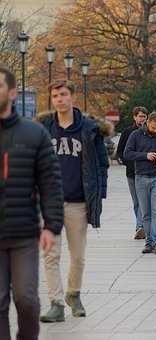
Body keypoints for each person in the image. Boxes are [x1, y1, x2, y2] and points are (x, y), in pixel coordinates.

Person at [37, 80, 109, 323]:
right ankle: (56, 303)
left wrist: (98, 196)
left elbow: (101, 164)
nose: (59, 99)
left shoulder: (89, 129)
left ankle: (73, 294)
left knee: (78, 256)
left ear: (72, 97)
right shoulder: (44, 128)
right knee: (51, 256)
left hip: (78, 202)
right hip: (50, 203)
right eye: (55, 95)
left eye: (63, 94)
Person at [0, 67, 63, 340]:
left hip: (24, 232)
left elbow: (50, 183)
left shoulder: (34, 134)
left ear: (12, 92)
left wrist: (51, 226)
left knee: (25, 299)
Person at [124, 112, 156, 254]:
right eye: (153, 128)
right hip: (140, 177)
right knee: (146, 212)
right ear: (147, 123)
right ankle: (148, 242)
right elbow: (127, 153)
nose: (155, 130)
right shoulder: (136, 135)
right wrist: (144, 156)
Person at [116, 106, 148, 239]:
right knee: (136, 201)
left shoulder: (150, 131)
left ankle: (142, 226)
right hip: (131, 173)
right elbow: (120, 151)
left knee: (143, 200)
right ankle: (140, 226)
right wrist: (128, 162)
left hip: (146, 172)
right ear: (134, 117)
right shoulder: (128, 132)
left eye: (144, 116)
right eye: (140, 116)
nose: (142, 119)